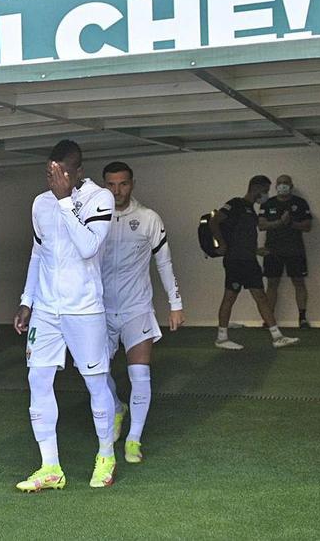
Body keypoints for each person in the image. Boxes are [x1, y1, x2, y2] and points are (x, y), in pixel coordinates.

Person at [12, 139, 118, 492]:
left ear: (78, 171)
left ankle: (106, 455)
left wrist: (64, 201)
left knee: (95, 383)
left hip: (85, 309)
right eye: (49, 172)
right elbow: (38, 254)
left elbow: (89, 247)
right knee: (37, 380)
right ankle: (50, 466)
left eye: (62, 173)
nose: (54, 178)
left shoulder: (100, 198)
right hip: (46, 310)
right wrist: (28, 300)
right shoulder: (40, 203)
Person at [100, 161, 184, 464]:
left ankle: (134, 439)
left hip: (137, 308)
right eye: (111, 184)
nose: (117, 190)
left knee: (140, 374)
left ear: (132, 184)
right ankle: (118, 409)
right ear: (103, 185)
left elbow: (164, 263)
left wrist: (175, 304)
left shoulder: (149, 218)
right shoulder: (95, 217)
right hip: (100, 309)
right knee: (96, 374)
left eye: (122, 184)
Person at [207, 175, 299, 350]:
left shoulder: (251, 209)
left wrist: (258, 250)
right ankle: (222, 338)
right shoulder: (235, 204)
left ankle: (277, 337)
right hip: (235, 261)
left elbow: (249, 235)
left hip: (249, 260)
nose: (265, 194)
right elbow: (214, 221)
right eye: (265, 191)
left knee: (261, 297)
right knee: (230, 297)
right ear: (256, 188)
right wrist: (223, 244)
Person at [260, 174, 314, 328]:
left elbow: (308, 226)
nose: (282, 185)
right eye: (280, 183)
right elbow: (262, 225)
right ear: (276, 186)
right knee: (272, 284)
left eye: (286, 183)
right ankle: (268, 319)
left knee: (299, 282)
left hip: (295, 250)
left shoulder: (300, 203)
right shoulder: (267, 203)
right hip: (272, 250)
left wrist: (291, 223)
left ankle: (302, 318)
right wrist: (279, 223)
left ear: (291, 185)